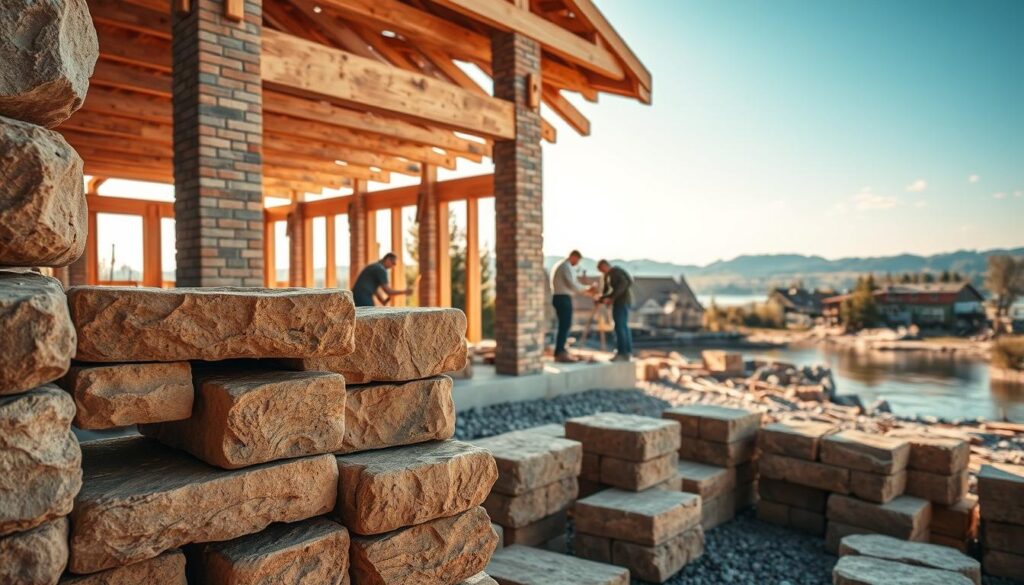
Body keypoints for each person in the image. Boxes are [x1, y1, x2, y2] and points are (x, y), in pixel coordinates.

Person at [550, 250, 592, 362]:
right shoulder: (565, 266)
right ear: (573, 257)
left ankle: (561, 349)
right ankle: (560, 351)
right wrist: (587, 289)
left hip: (560, 296)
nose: (577, 263)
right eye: (577, 260)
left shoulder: (563, 266)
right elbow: (572, 284)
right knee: (565, 325)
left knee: (564, 325)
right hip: (562, 297)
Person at [597, 259, 635, 361]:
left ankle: (623, 352)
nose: (602, 272)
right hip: (619, 302)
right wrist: (602, 298)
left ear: (605, 266)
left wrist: (612, 298)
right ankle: (626, 352)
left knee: (620, 327)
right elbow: (608, 291)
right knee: (622, 327)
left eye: (601, 270)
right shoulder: (607, 276)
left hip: (622, 302)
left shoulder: (616, 272)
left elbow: (624, 284)